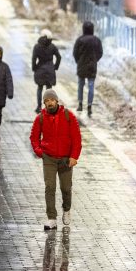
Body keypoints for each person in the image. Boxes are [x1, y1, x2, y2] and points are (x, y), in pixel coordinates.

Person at [30, 89, 81, 230]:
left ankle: (66, 209)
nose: (49, 103)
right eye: (46, 101)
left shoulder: (68, 116)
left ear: (56, 101)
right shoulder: (40, 118)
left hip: (66, 159)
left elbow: (77, 138)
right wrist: (40, 151)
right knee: (50, 187)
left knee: (66, 188)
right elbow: (34, 138)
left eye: (51, 100)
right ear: (44, 103)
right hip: (49, 158)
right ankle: (51, 218)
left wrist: (74, 156)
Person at [72, 20, 103, 117]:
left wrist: (78, 61)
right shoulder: (97, 40)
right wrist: (95, 60)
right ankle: (89, 106)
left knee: (80, 85)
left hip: (81, 65)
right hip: (92, 66)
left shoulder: (80, 40)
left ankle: (80, 104)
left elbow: (75, 53)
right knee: (91, 86)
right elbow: (100, 53)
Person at [32, 28, 61, 113]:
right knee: (49, 90)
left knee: (39, 88)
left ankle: (39, 107)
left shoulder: (37, 46)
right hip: (50, 70)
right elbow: (59, 57)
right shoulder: (52, 46)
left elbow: (34, 59)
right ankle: (49, 107)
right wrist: (55, 66)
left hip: (40, 68)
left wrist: (34, 68)